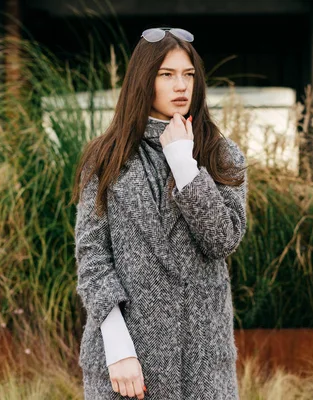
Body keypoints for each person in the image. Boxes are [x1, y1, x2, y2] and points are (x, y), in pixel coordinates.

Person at [71, 27, 248, 399]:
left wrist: (184, 164)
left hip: (200, 364)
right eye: (166, 75)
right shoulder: (105, 158)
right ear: (143, 80)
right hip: (124, 362)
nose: (180, 85)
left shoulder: (220, 154)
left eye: (188, 75)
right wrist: (118, 347)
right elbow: (93, 259)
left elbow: (223, 239)